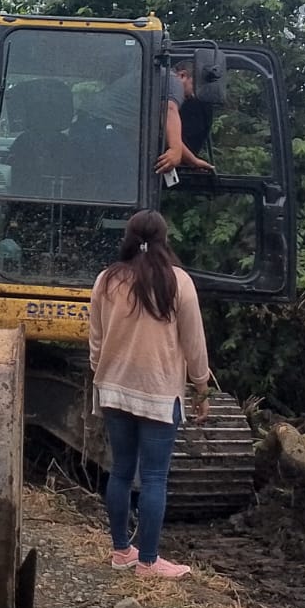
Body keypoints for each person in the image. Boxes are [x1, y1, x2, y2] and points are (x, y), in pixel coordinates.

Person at [88, 209, 211, 578]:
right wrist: (201, 386)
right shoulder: (178, 282)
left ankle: (121, 551)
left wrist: (101, 371)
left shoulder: (106, 280)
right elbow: (194, 341)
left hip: (114, 389)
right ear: (164, 239)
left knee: (121, 471)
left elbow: (95, 338)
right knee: (155, 477)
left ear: (128, 237)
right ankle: (149, 561)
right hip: (158, 391)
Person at [155, 63, 212, 175]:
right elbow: (169, 109)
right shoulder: (172, 80)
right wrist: (174, 150)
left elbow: (168, 134)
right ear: (182, 75)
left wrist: (193, 161)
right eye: (194, 86)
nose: (193, 94)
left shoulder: (157, 79)